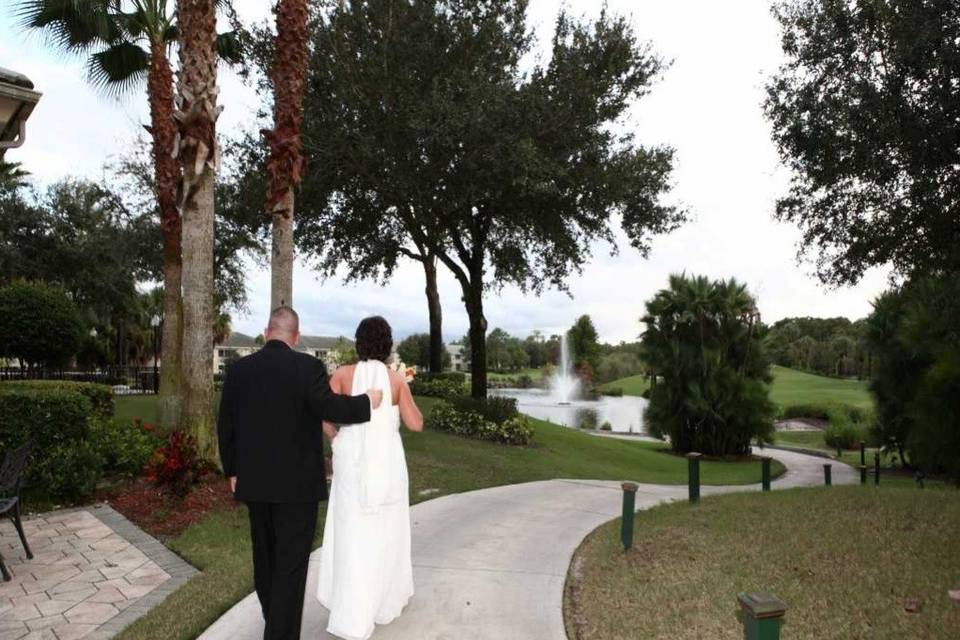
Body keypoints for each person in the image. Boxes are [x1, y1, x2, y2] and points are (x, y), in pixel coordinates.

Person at [217, 306, 383, 640]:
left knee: (265, 561)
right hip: (298, 489)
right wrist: (367, 400)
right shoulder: (308, 367)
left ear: (267, 333)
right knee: (290, 567)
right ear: (296, 336)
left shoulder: (239, 371)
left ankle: (273, 619)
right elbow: (329, 407)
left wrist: (233, 471)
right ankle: (279, 632)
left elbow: (226, 426)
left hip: (255, 484)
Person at [318, 316, 423, 640]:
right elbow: (415, 424)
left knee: (353, 532)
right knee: (385, 532)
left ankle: (350, 607)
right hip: (388, 466)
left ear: (358, 342)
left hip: (351, 463)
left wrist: (336, 437)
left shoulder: (342, 375)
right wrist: (406, 388)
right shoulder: (396, 380)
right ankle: (381, 603)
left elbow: (321, 411)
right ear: (388, 345)